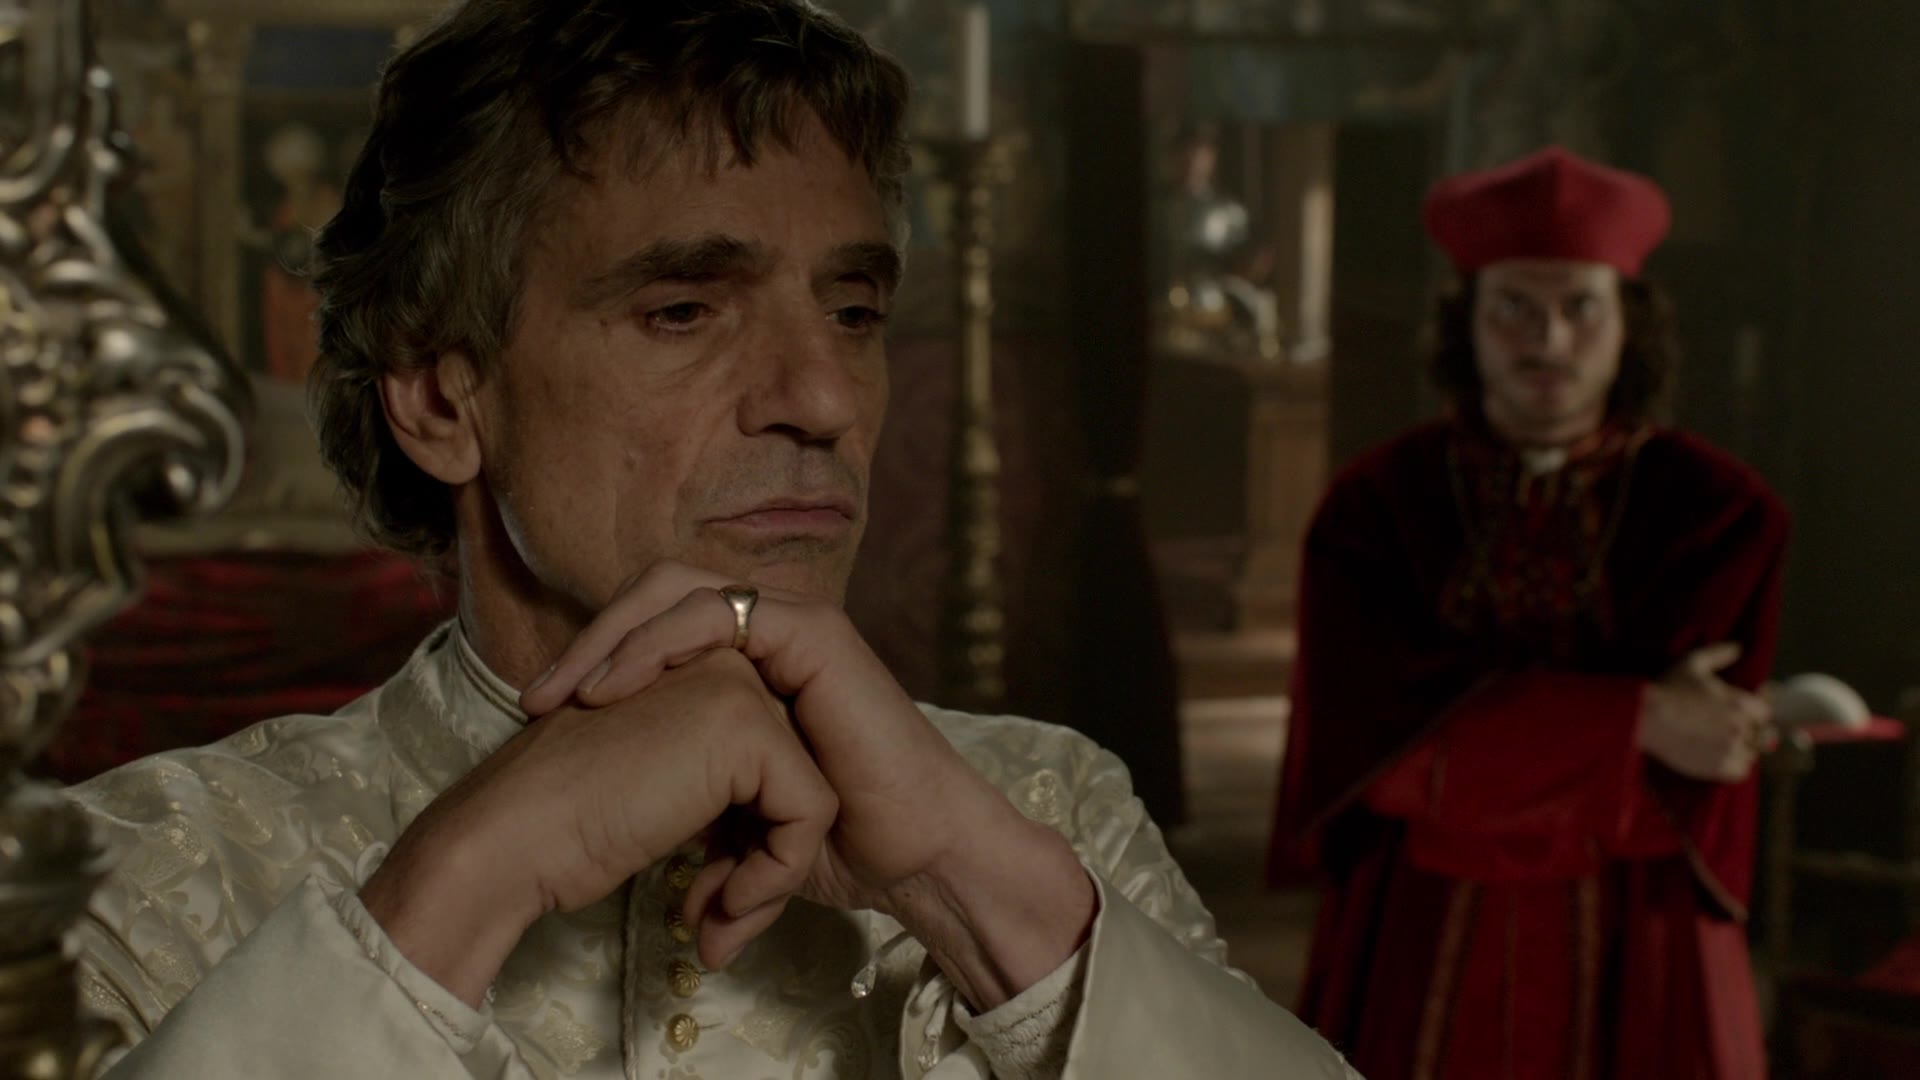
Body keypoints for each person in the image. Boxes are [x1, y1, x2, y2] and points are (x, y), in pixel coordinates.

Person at [63, 3, 1356, 1077]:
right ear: (443, 400)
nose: (827, 398)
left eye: (854, 311)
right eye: (684, 311)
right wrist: (459, 882)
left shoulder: (1046, 815)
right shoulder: (136, 873)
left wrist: (972, 891)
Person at [1267, 146, 1788, 1080]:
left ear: (1628, 322)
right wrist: (1637, 720)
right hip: (1418, 924)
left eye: (1580, 306)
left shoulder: (1721, 515)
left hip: (1644, 933)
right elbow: (1380, 768)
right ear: (1466, 321)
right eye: (1514, 306)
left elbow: (1693, 779)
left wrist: (1477, 744)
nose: (1547, 339)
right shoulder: (1374, 509)